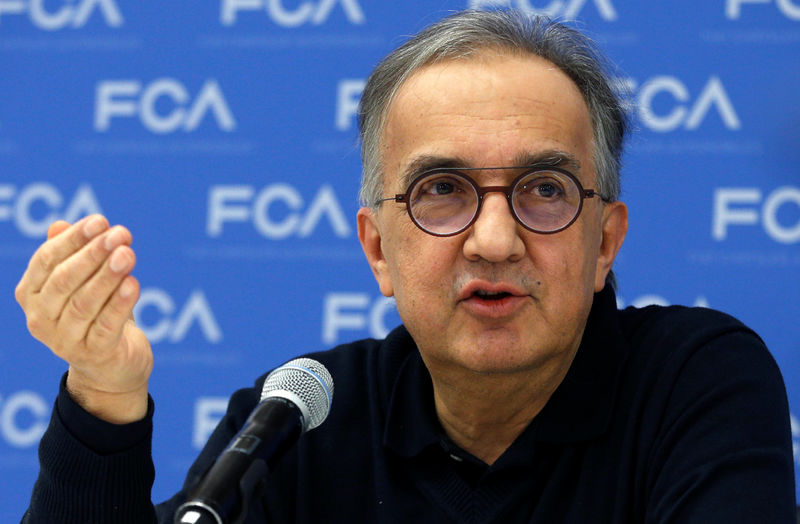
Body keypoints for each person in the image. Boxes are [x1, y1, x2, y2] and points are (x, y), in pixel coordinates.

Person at [17, 9, 796, 524]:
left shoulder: (696, 382)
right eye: (443, 190)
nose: (495, 239)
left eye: (546, 189)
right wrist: (104, 398)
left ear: (605, 243)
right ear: (379, 249)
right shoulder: (301, 419)